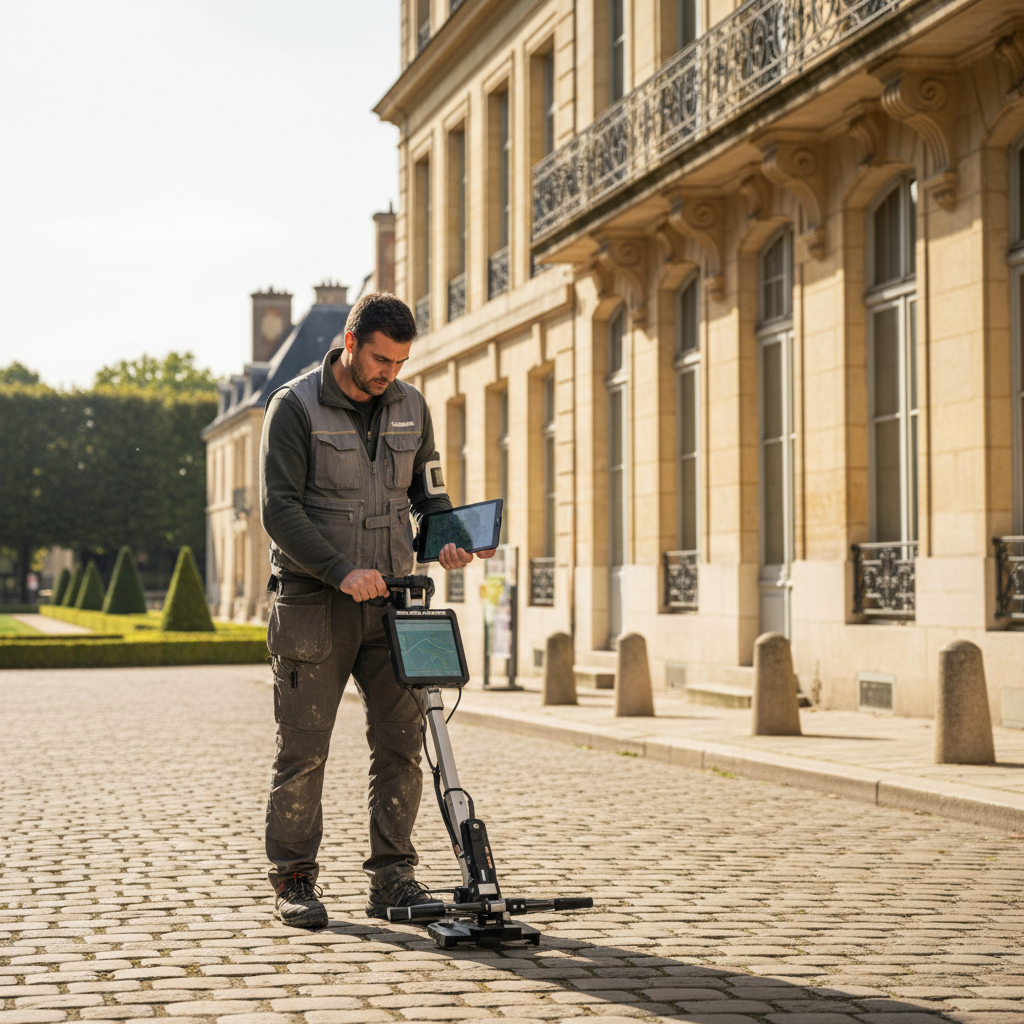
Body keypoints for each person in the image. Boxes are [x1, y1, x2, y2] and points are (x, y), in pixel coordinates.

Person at [259, 291, 491, 929]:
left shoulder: (412, 407)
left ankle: (394, 881)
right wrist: (340, 570)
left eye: (401, 361)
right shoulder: (294, 407)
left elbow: (429, 498)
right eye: (382, 359)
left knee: (402, 746)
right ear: (352, 343)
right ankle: (296, 880)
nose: (390, 373)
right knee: (303, 751)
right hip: (315, 607)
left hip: (397, 606)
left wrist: (448, 538)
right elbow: (279, 511)